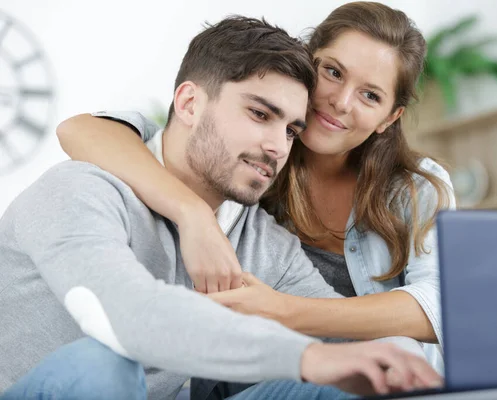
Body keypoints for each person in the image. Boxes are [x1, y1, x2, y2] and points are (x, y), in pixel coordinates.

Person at [0, 16, 441, 400]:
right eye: (259, 114)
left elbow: (374, 336)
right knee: (105, 367)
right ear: (189, 103)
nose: (276, 146)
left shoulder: (264, 239)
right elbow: (129, 317)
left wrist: (391, 367)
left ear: (390, 117)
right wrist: (307, 357)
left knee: (371, 376)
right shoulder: (81, 189)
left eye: (291, 130)